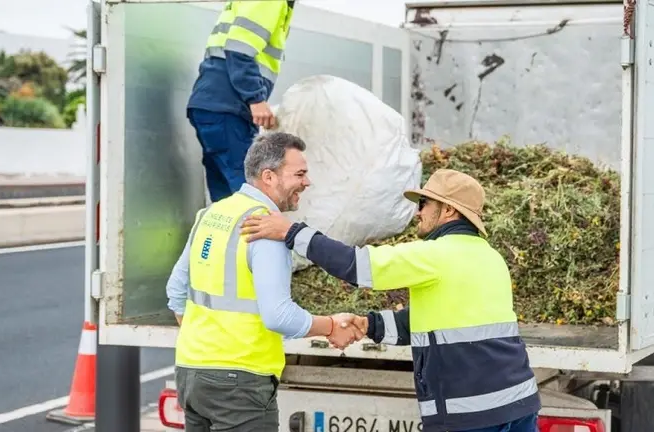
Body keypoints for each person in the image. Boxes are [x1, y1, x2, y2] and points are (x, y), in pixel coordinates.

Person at [240, 168, 541, 432]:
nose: (418, 212)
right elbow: (432, 321)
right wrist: (367, 324)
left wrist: (293, 232)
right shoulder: (490, 257)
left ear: (449, 211)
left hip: (471, 416)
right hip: (519, 405)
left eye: (424, 204)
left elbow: (357, 265)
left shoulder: (435, 254)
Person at [165, 131, 362, 432]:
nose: (306, 182)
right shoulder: (265, 229)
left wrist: (206, 348)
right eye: (300, 174)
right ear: (268, 176)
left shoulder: (211, 214)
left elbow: (176, 290)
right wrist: (331, 326)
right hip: (239, 383)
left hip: (192, 373)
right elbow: (278, 315)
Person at [187, 0, 296, 203]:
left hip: (210, 105)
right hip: (228, 107)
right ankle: (253, 234)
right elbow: (240, 51)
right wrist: (255, 99)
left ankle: (228, 234)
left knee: (225, 195)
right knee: (251, 189)